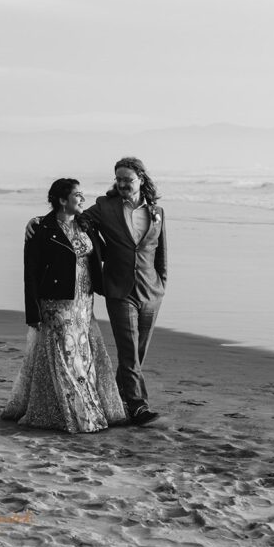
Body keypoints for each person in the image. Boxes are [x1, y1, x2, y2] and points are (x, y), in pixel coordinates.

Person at [25, 157, 167, 426]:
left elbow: (161, 252)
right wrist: (35, 221)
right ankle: (139, 407)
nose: (123, 183)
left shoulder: (157, 211)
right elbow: (67, 216)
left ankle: (117, 398)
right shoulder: (105, 207)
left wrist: (162, 282)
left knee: (137, 352)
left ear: (142, 180)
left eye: (129, 179)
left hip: (151, 291)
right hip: (119, 289)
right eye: (119, 179)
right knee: (128, 352)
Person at [2, 178, 128, 433]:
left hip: (84, 302)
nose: (82, 199)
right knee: (65, 356)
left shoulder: (86, 223)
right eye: (77, 195)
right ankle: (81, 413)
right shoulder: (41, 229)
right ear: (62, 200)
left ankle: (70, 407)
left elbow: (111, 215)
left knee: (83, 355)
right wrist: (32, 313)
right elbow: (31, 273)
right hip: (56, 302)